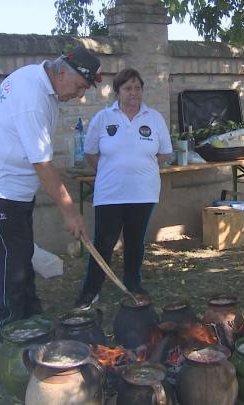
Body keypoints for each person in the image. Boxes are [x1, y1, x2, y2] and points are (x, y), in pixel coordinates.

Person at [0, 45, 101, 342]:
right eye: (80, 87)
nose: (80, 95)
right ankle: (10, 328)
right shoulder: (32, 98)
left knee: (22, 252)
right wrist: (70, 211)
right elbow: (42, 164)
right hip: (1, 187)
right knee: (9, 260)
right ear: (62, 72)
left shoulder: (40, 81)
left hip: (17, 187)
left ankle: (31, 314)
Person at [75, 68, 173, 309]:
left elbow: (164, 153)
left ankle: (133, 283)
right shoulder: (103, 118)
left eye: (137, 88)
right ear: (117, 91)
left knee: (135, 240)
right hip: (110, 192)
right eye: (128, 88)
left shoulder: (154, 118)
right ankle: (91, 290)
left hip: (143, 192)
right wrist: (114, 171)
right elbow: (90, 153)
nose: (134, 93)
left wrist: (141, 170)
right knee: (104, 242)